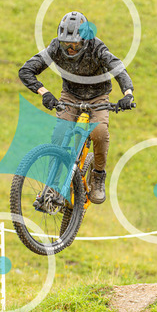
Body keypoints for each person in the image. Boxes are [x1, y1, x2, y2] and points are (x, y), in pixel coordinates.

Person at [18, 11, 134, 204]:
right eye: (66, 43)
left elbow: (118, 68)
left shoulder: (97, 47)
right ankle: (52, 184)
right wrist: (44, 92)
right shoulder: (55, 47)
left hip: (98, 97)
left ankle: (98, 176)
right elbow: (26, 70)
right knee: (59, 133)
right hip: (70, 95)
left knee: (99, 132)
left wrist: (128, 94)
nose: (70, 48)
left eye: (75, 44)